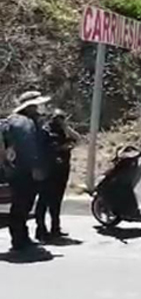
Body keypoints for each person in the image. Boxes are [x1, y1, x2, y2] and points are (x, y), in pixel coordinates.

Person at [3, 91, 51, 252]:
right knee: (22, 204)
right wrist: (35, 167)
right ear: (30, 107)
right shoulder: (24, 123)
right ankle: (19, 240)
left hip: (17, 170)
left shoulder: (19, 121)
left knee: (22, 204)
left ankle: (21, 237)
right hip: (24, 171)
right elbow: (29, 148)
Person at [35, 109, 80, 241]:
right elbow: (45, 149)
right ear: (51, 118)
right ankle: (41, 230)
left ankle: (55, 228)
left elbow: (78, 139)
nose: (59, 120)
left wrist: (66, 127)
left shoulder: (63, 131)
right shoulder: (46, 131)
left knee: (57, 201)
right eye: (57, 118)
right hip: (49, 170)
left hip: (61, 170)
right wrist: (60, 148)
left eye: (62, 118)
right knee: (43, 201)